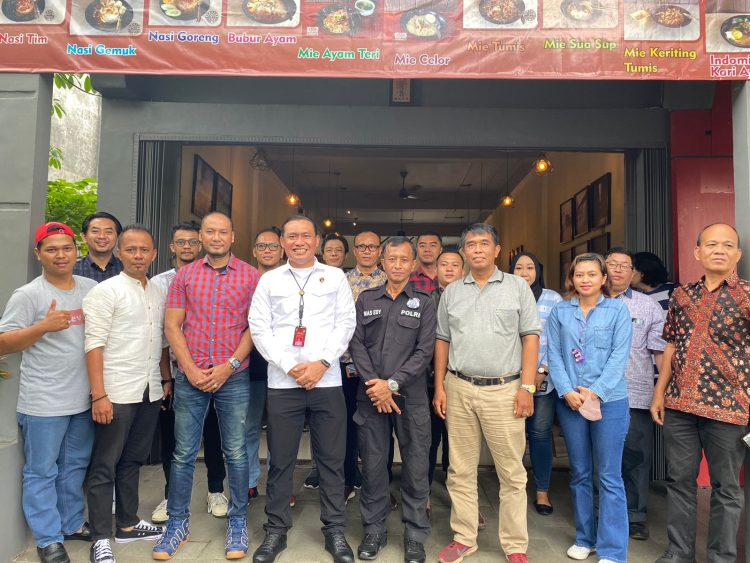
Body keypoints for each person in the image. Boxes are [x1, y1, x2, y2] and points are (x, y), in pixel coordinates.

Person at [249, 215, 356, 563]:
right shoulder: (269, 281)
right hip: (283, 382)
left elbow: (346, 323)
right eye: (291, 236)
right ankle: (276, 531)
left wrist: (322, 363)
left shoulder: (335, 276)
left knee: (331, 459)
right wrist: (287, 364)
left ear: (316, 241)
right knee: (280, 459)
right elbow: (259, 327)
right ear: (282, 242)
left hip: (327, 381)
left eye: (305, 236)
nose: (298, 242)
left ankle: (335, 530)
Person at [153, 212, 259, 561]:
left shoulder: (250, 276)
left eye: (222, 232)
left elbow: (254, 328)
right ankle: (177, 524)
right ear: (201, 236)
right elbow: (172, 326)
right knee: (183, 453)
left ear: (233, 236)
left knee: (237, 451)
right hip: (191, 377)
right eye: (209, 231)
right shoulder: (184, 276)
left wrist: (228, 367)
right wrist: (190, 369)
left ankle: (238, 522)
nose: (216, 237)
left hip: (234, 376)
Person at [433, 223, 540, 563]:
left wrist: (527, 386)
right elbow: (442, 340)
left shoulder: (517, 287)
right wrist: (440, 386)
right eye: (470, 245)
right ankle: (464, 537)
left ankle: (514, 544)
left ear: (496, 250)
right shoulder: (452, 292)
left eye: (484, 243)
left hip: (504, 391)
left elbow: (530, 337)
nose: (477, 249)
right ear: (463, 252)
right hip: (459, 387)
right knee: (460, 469)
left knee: (511, 471)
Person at [651, 223, 749, 563]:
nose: (719, 250)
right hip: (679, 405)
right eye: (711, 244)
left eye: (727, 245)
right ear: (698, 252)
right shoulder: (681, 296)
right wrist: (658, 394)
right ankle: (679, 552)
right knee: (680, 481)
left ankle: (721, 557)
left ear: (737, 254)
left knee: (726, 488)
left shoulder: (748, 295)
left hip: (730, 408)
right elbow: (671, 346)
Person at [0, 222, 97, 563]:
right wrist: (42, 326)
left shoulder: (90, 287)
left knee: (74, 466)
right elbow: (3, 342)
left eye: (66, 248)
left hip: (83, 398)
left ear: (76, 251)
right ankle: (48, 538)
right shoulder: (29, 294)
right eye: (52, 249)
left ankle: (70, 524)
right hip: (43, 401)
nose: (60, 255)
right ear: (38, 254)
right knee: (42, 471)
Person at [83, 225, 167, 563]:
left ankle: (128, 524)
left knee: (133, 459)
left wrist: (165, 380)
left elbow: (161, 341)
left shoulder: (158, 291)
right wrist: (99, 395)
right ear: (119, 253)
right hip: (115, 391)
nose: (137, 255)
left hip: (150, 390)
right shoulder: (107, 291)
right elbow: (93, 344)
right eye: (130, 249)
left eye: (144, 249)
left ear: (154, 254)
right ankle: (101, 535)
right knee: (104, 464)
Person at [349, 237, 436, 563]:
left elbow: (424, 351)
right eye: (392, 259)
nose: (398, 265)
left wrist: (393, 384)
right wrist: (377, 386)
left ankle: (415, 536)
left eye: (404, 260)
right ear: (382, 263)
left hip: (410, 398)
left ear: (413, 264)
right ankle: (374, 530)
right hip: (370, 397)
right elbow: (356, 344)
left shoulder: (425, 303)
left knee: (415, 467)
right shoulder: (366, 299)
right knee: (372, 467)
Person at [547, 253, 632, 563]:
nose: (585, 279)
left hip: (609, 401)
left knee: (609, 475)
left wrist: (595, 391)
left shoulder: (617, 311)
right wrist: (567, 391)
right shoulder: (560, 311)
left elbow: (619, 356)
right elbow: (554, 354)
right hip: (571, 401)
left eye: (592, 274)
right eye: (579, 274)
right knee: (580, 472)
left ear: (603, 279)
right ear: (572, 278)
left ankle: (612, 550)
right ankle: (585, 538)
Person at [150, 222, 230, 523]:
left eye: (192, 242)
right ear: (171, 247)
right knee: (175, 439)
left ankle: (215, 490)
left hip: (211, 370)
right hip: (174, 371)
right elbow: (160, 331)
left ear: (201, 245)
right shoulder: (159, 283)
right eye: (180, 242)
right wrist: (167, 376)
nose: (186, 247)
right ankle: (172, 496)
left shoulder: (214, 277)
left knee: (214, 432)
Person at [604, 247, 666, 541]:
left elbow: (659, 353)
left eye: (624, 266)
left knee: (635, 456)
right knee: (598, 457)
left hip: (636, 392)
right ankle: (600, 513)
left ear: (633, 273)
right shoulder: (588, 301)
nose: (617, 270)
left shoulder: (648, 306)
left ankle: (636, 516)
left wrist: (660, 392)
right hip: (593, 395)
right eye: (612, 264)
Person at [509, 251, 563, 517]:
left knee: (540, 435)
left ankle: (542, 489)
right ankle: (512, 489)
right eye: (519, 268)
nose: (525, 272)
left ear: (538, 270)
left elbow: (559, 339)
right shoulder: (504, 294)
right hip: (509, 379)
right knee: (511, 438)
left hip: (543, 381)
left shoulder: (553, 299)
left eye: (530, 267)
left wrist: (542, 369)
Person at [247, 227, 285, 501]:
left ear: (282, 250)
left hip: (284, 366)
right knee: (248, 425)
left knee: (280, 428)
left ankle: (277, 484)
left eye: (273, 246)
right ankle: (248, 480)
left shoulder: (291, 279)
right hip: (250, 364)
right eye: (262, 246)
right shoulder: (244, 278)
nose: (268, 251)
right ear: (254, 251)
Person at [426, 250, 463, 513]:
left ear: (464, 270)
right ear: (435, 269)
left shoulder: (470, 300)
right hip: (427, 381)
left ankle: (460, 500)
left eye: (455, 265)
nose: (449, 269)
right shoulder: (424, 300)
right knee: (427, 441)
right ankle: (423, 494)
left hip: (461, 381)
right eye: (444, 265)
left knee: (459, 444)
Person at [73, 212, 123, 282]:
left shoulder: (128, 269)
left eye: (108, 232)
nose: (102, 236)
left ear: (118, 237)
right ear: (84, 237)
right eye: (95, 231)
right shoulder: (72, 271)